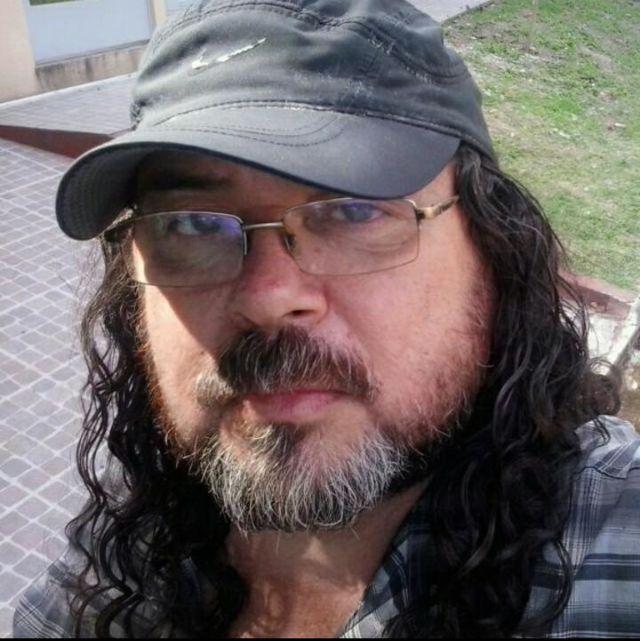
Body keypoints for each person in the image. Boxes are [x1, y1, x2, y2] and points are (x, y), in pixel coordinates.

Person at [13, 0, 639, 637]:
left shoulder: (613, 546)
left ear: (493, 252)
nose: (266, 296)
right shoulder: (124, 548)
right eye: (191, 224)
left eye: (355, 211)